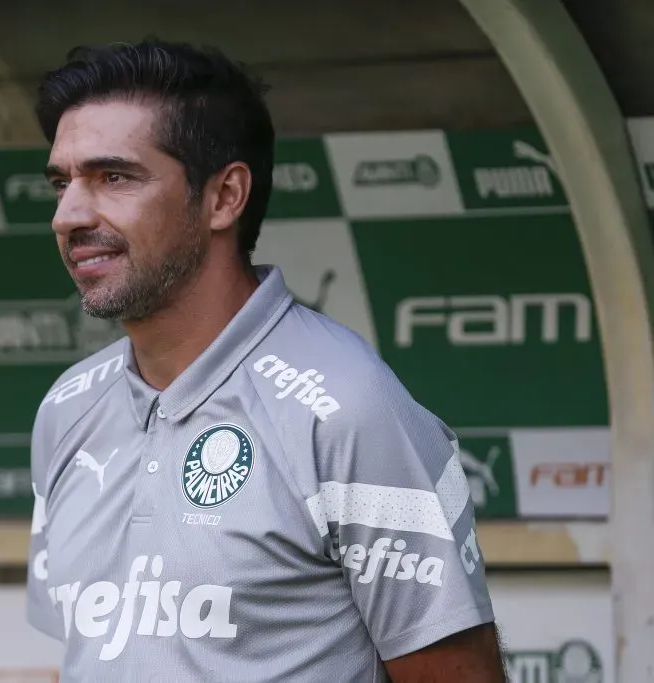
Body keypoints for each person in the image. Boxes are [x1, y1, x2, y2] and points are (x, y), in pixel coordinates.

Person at [26, 38, 507, 682]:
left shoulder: (345, 409)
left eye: (114, 177)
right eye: (62, 183)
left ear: (225, 196)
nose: (69, 215)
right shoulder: (66, 406)